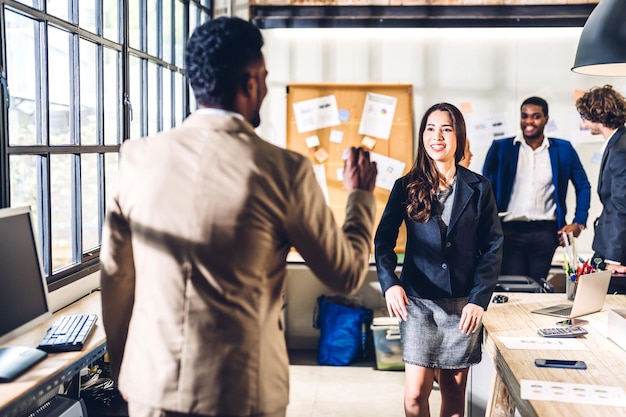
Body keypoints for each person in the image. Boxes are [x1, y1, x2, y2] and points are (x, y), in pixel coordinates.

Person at [99, 17, 378, 417]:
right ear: (250, 82)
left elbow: (117, 276)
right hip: (240, 392)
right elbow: (346, 274)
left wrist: (124, 365)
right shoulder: (284, 171)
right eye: (264, 77)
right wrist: (360, 196)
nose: (265, 88)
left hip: (151, 389)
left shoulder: (137, 158)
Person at [375, 102, 503, 417]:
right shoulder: (405, 186)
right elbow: (383, 241)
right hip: (417, 302)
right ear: (423, 136)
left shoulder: (479, 187)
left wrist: (479, 299)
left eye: (446, 129)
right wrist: (390, 283)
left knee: (454, 396)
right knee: (415, 395)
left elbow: (493, 244)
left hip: (463, 306)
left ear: (458, 135)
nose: (438, 136)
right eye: (431, 129)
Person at [482, 96, 591, 284]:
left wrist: (579, 222)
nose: (529, 121)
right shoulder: (501, 148)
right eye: (524, 116)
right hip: (509, 230)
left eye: (535, 116)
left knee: (538, 286)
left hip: (545, 232)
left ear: (546, 119)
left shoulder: (563, 149)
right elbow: (485, 190)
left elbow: (583, 186)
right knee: (514, 285)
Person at [576, 85, 626, 275]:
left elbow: (622, 206)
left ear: (597, 114)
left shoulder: (621, 149)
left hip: (615, 251)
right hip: (606, 243)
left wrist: (614, 257)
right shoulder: (617, 144)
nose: (584, 121)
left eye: (584, 116)